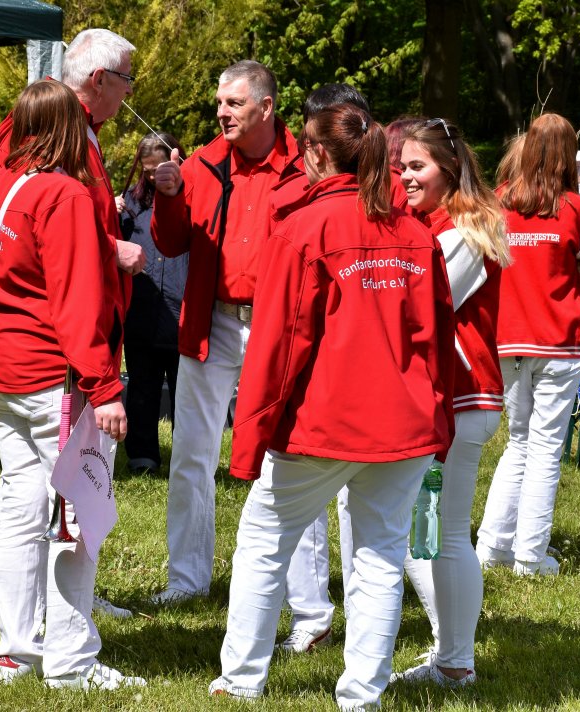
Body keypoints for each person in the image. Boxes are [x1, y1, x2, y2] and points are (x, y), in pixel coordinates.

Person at [208, 103, 456, 709]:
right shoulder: (414, 233)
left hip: (322, 425)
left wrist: (250, 439)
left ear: (318, 154)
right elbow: (437, 340)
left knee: (265, 541)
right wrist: (439, 423)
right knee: (379, 557)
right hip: (401, 426)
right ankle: (362, 694)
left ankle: (241, 680)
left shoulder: (306, 228)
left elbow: (277, 345)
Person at [0, 80, 144, 690]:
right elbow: (78, 301)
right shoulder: (65, 194)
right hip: (54, 378)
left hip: (3, 372)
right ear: (71, 130)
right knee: (77, 514)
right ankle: (71, 661)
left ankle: (16, 651)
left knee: (21, 507)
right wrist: (106, 387)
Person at [0, 28, 139, 620]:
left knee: (24, 493)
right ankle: (65, 634)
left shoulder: (61, 139)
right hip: (57, 356)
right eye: (127, 80)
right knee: (73, 494)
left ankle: (18, 628)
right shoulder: (56, 139)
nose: (130, 93)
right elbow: (51, 246)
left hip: (23, 355)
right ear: (99, 79)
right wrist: (109, 247)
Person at [149, 60, 300, 605]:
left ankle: (296, 594)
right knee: (192, 453)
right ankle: (186, 580)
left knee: (290, 456)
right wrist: (168, 195)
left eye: (234, 103)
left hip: (279, 326)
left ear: (266, 106)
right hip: (210, 323)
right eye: (219, 103)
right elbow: (169, 244)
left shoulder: (305, 165)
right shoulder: (200, 164)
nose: (222, 112)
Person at [271, 83, 409, 655]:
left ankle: (245, 676)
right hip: (362, 400)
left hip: (345, 400)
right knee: (350, 533)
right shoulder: (299, 197)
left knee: (287, 531)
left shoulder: (387, 202)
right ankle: (321, 626)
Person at [392, 117, 509, 687]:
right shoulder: (431, 224)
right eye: (402, 167)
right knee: (424, 533)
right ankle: (450, 653)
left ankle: (457, 661)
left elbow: (417, 308)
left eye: (418, 166)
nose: (406, 177)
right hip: (449, 398)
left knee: (445, 533)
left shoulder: (462, 230)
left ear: (450, 168)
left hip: (461, 396)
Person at [475, 113, 580, 576]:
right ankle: (530, 555)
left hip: (507, 338)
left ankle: (492, 547)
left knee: (519, 442)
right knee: (546, 447)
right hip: (559, 341)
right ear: (571, 156)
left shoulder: (497, 203)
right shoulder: (579, 210)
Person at [118, 132, 189, 474]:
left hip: (180, 313)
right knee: (142, 387)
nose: (151, 177)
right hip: (141, 310)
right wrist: (109, 213)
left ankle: (185, 460)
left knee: (183, 394)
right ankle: (142, 456)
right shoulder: (129, 205)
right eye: (145, 171)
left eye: (156, 169)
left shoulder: (192, 199)